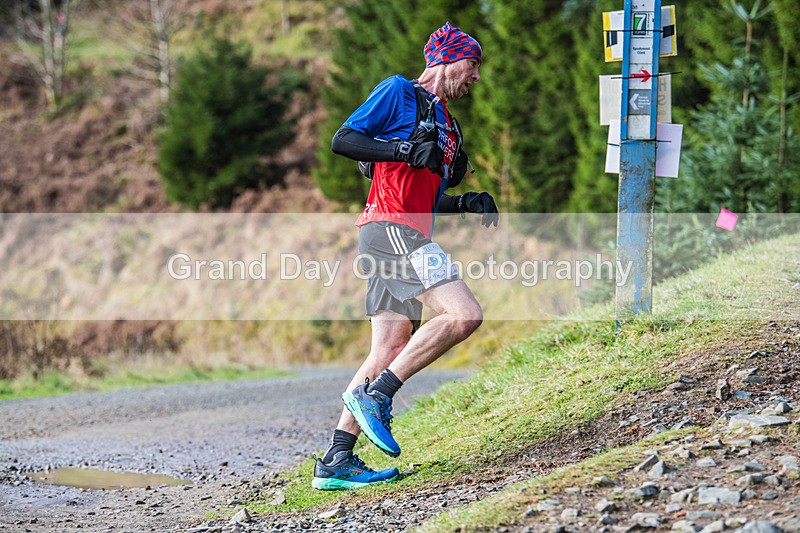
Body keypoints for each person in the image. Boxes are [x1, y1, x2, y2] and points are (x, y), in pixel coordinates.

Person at [312, 21, 499, 491]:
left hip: (398, 231)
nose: (476, 77)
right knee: (464, 314)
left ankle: (336, 458)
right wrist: (401, 148)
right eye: (473, 64)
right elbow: (343, 140)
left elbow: (427, 196)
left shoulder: (449, 126)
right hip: (391, 229)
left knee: (389, 347)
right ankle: (378, 396)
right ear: (447, 60)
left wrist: (465, 201)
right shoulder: (399, 92)